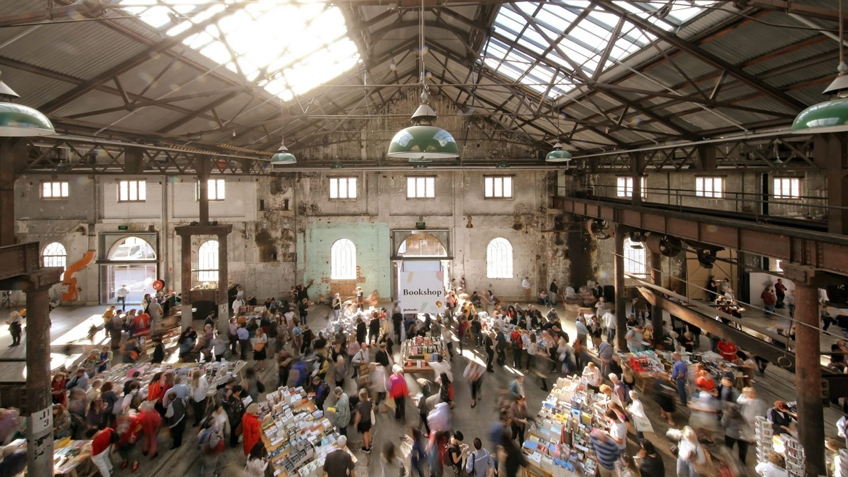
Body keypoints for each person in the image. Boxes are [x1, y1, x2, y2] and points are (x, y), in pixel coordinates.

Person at [354, 388, 373, 453]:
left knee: (364, 434)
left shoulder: (359, 406)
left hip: (363, 422)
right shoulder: (369, 401)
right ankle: (370, 443)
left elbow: (358, 417)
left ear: (361, 397)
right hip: (368, 419)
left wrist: (356, 424)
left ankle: (367, 448)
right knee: (368, 430)